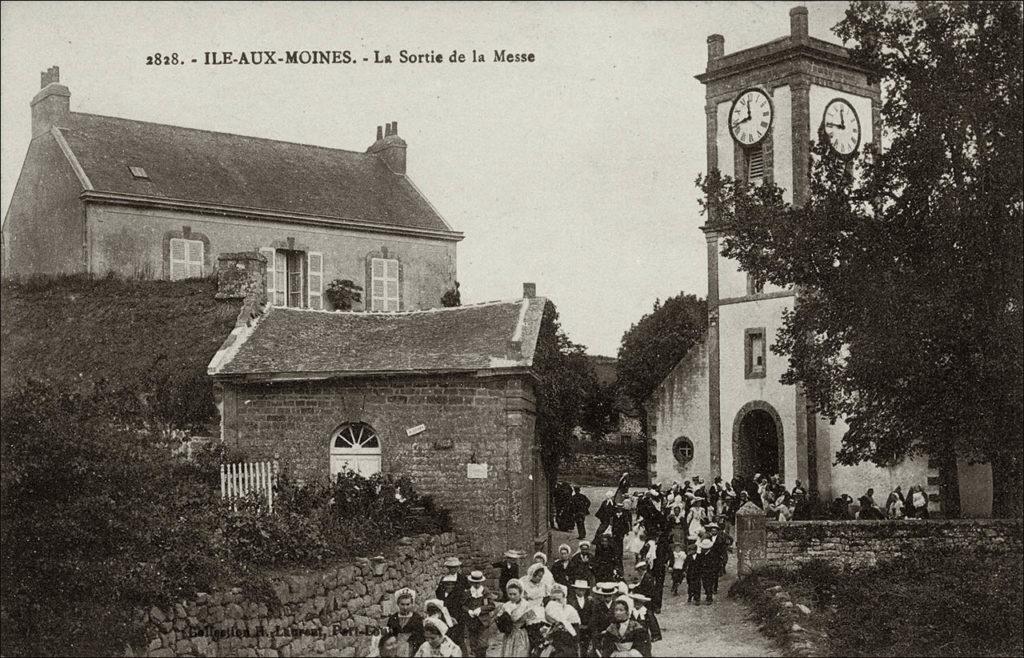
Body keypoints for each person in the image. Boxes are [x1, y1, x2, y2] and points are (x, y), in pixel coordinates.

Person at [496, 580, 534, 657]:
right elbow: (499, 621)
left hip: (521, 635)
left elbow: (530, 621)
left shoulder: (526, 605)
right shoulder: (506, 605)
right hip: (509, 635)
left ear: (520, 594)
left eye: (515, 594)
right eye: (510, 594)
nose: (512, 597)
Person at [436, 558, 470, 645]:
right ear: (448, 568)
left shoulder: (462, 578)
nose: (453, 569)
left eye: (455, 567)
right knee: (448, 632)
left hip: (459, 609)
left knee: (459, 634)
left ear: (458, 567)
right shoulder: (444, 579)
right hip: (447, 610)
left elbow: (468, 591)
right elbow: (439, 593)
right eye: (451, 567)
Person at [542, 584, 581, 657]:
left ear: (564, 598)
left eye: (558, 600)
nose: (556, 602)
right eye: (553, 599)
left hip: (567, 646)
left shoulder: (570, 611)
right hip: (553, 645)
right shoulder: (550, 612)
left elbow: (575, 635)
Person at [386, 587, 426, 658]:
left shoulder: (417, 618)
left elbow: (421, 637)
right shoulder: (392, 618)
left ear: (412, 604)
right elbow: (388, 636)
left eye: (408, 604)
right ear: (398, 604)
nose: (405, 607)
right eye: (402, 604)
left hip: (413, 651)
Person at [568, 579, 597, 657]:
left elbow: (593, 614)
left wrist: (588, 626)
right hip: (576, 628)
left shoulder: (589, 600)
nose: (581, 592)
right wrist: (577, 626)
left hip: (587, 628)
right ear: (575, 590)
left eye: (583, 590)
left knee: (586, 648)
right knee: (576, 649)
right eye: (579, 590)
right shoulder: (570, 601)